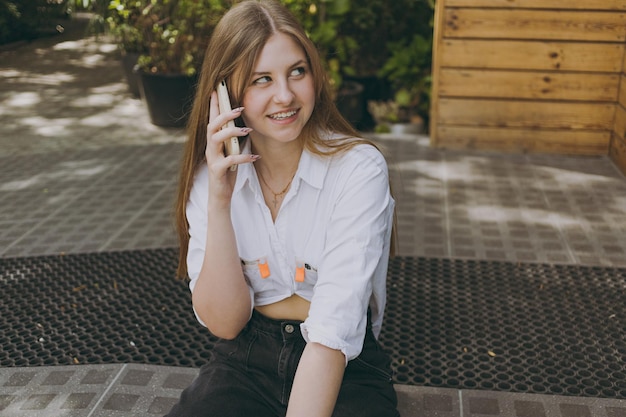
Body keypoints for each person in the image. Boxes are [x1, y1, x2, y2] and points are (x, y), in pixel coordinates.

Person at [168, 1, 398, 416]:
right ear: (225, 94)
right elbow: (225, 323)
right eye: (261, 80)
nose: (285, 95)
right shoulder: (211, 177)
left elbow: (333, 331)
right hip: (245, 360)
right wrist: (220, 200)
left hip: (342, 360)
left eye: (297, 71)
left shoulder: (358, 169)